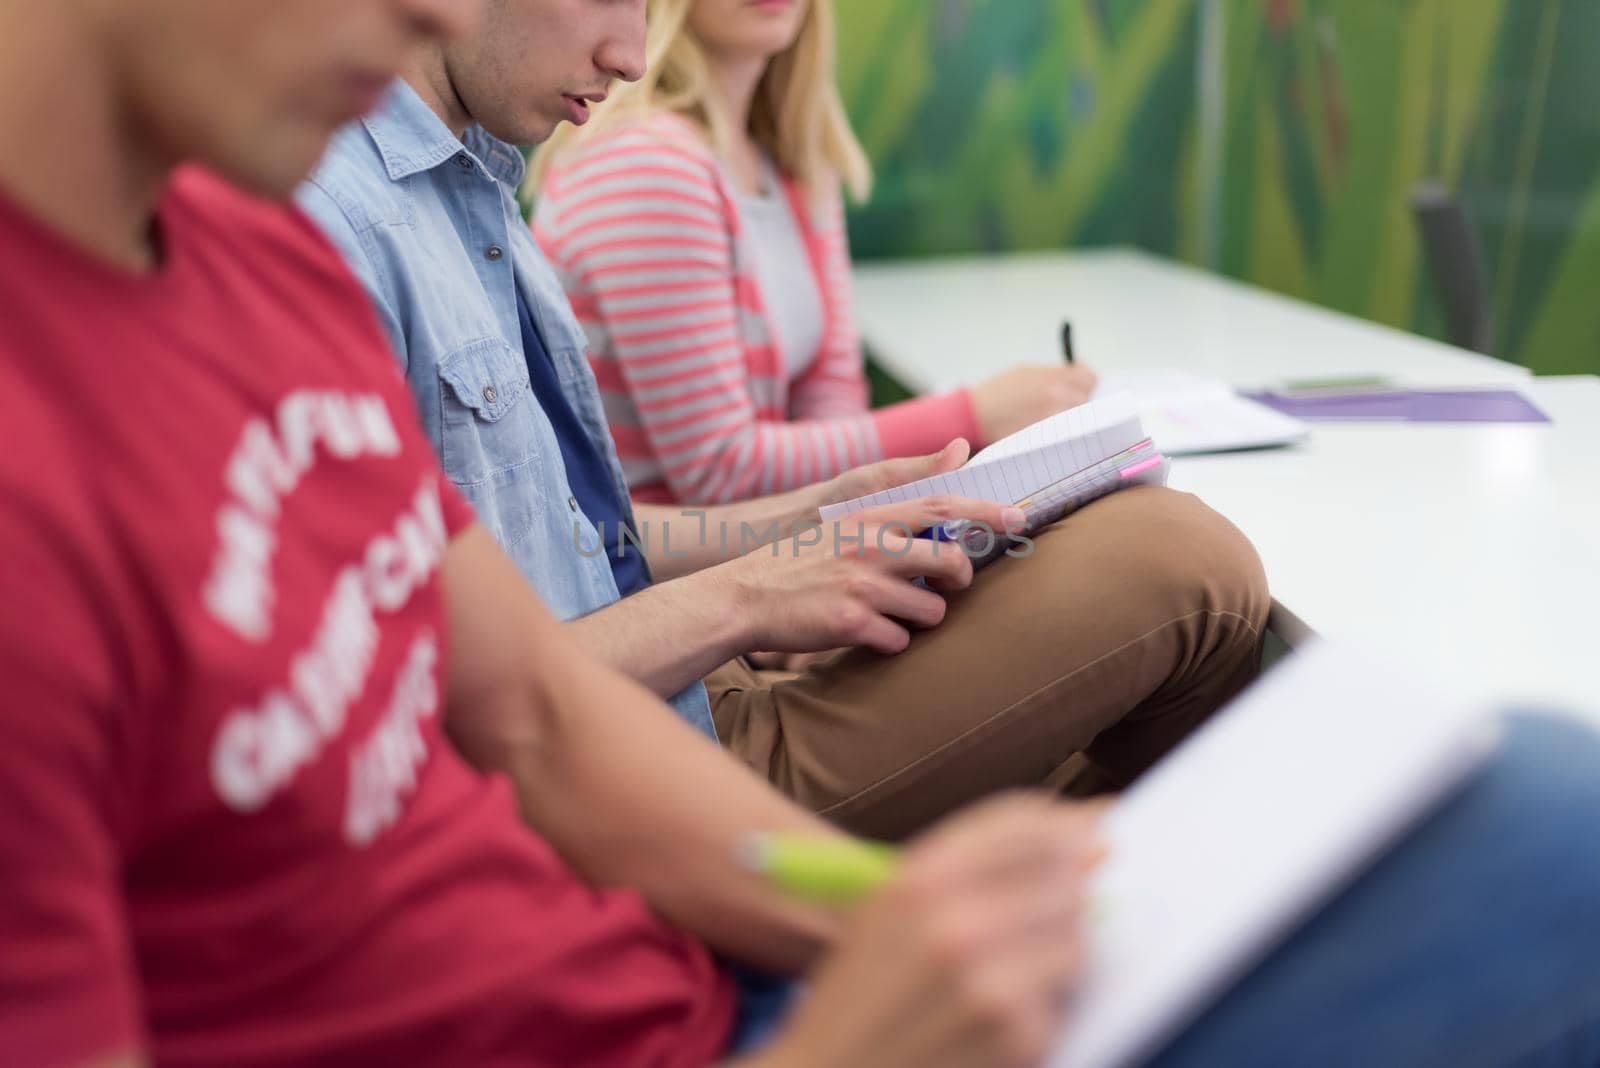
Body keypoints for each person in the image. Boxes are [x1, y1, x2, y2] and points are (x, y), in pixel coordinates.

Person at [4, 3, 1600, 1067]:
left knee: (1523, 790)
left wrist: (860, 908)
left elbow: (545, 720)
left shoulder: (243, 243)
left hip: (716, 961)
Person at [295, 0, 1271, 840]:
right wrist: (753, 595)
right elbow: (413, 688)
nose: (630, 53)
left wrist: (816, 517)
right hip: (638, 756)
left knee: (1155, 576)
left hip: (680, 687)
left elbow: (583, 541)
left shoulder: (482, 187)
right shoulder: (335, 221)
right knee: (1182, 565)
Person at [527, 0, 1099, 505]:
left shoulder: (795, 156)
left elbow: (833, 392)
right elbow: (719, 469)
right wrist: (973, 416)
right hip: (662, 581)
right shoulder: (646, 161)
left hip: (775, 556)